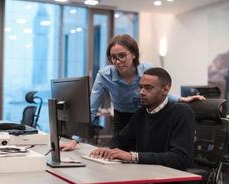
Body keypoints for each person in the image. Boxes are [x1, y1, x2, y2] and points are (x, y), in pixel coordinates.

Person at [60, 34, 203, 151]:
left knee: (145, 152)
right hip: (122, 117)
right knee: (118, 152)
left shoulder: (147, 70)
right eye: (113, 57)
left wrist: (181, 99)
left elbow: (159, 91)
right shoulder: (104, 75)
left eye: (122, 55)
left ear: (133, 54)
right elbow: (91, 109)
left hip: (146, 115)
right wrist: (75, 140)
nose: (117, 61)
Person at [89, 67, 195, 170]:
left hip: (169, 176)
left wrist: (133, 156)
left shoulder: (181, 112)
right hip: (146, 172)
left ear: (165, 90)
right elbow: (122, 139)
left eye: (148, 88)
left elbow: (180, 158)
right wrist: (107, 148)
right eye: (141, 87)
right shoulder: (141, 113)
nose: (141, 92)